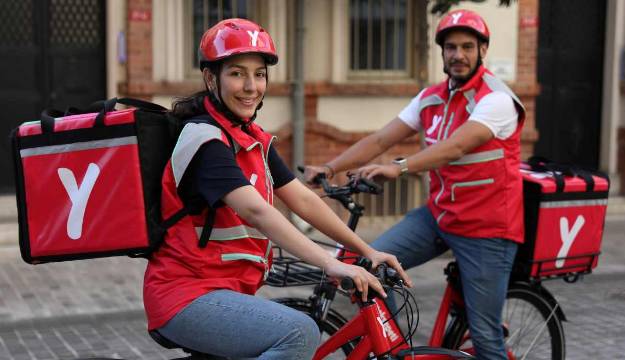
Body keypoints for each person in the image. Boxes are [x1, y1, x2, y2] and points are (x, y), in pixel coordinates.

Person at [143, 18, 410, 360]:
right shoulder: (205, 139)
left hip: (224, 291)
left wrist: (364, 251)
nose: (251, 86)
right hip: (186, 297)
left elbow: (302, 199)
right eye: (237, 73)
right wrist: (333, 265)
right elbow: (258, 212)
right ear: (212, 79)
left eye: (259, 74)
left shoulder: (253, 140)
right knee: (299, 332)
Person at [305, 9, 525, 360]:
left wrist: (401, 167)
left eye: (468, 46)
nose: (458, 54)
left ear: (482, 50)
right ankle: (395, 349)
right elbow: (379, 140)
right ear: (442, 52)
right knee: (371, 264)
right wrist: (329, 169)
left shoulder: (495, 99)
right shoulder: (432, 98)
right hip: (440, 216)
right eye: (451, 47)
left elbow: (456, 147)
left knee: (486, 339)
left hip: (487, 229)